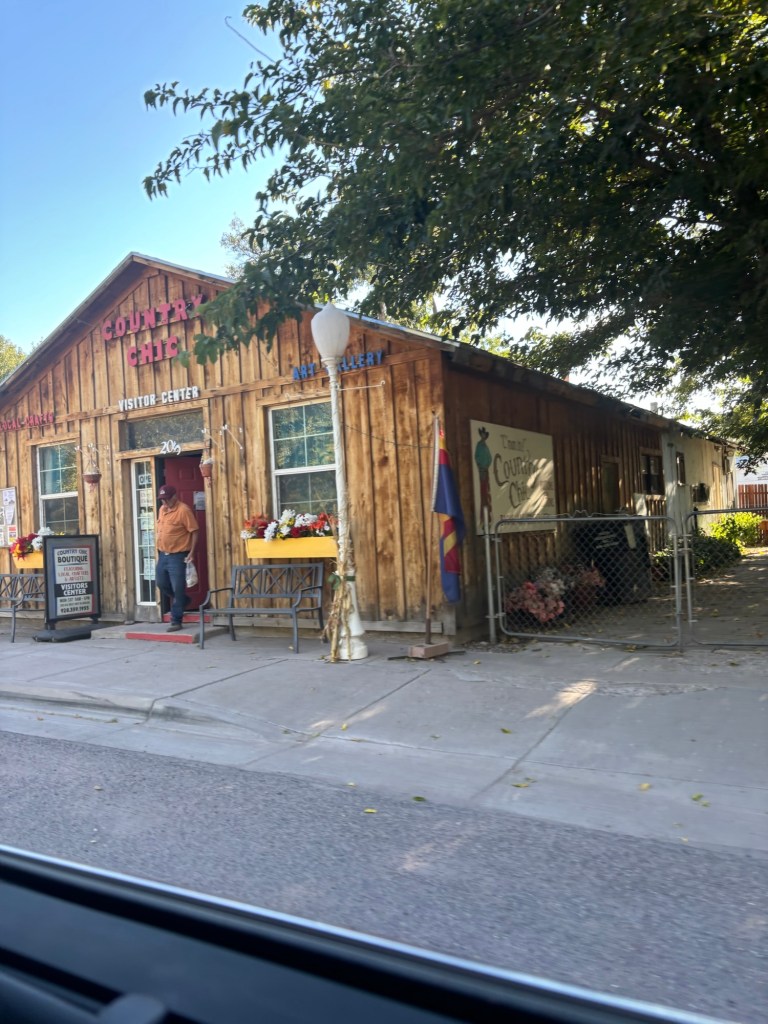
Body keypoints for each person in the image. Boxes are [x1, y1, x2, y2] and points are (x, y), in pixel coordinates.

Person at [155, 484, 199, 632]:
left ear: (174, 496)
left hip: (178, 555)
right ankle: (183, 601)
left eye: (167, 499)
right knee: (161, 583)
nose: (165, 502)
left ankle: (176, 620)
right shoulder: (162, 510)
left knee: (178, 587)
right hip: (163, 554)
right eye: (162, 499)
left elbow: (194, 531)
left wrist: (191, 552)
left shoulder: (183, 510)